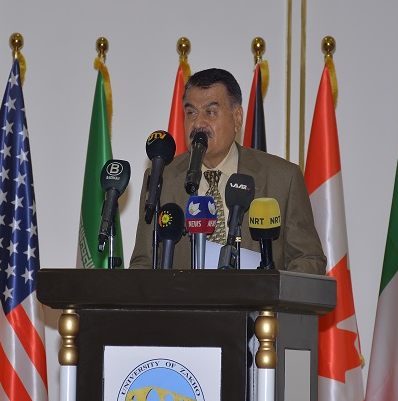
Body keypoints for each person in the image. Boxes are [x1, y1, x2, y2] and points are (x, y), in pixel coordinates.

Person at [130, 68, 326, 274]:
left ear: (237, 118)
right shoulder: (162, 178)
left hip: (259, 296)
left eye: (210, 112)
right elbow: (143, 264)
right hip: (183, 296)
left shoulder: (283, 179)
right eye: (191, 113)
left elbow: (309, 259)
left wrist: (271, 288)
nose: (198, 123)